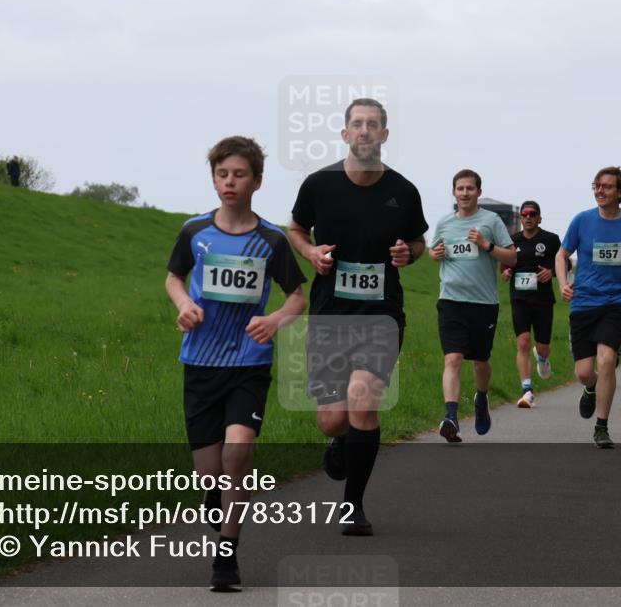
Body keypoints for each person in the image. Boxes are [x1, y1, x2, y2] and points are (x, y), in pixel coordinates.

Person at [165, 136, 306, 590]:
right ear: (213, 179)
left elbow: (298, 297)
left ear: (257, 181)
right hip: (201, 362)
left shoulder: (272, 240)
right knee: (211, 470)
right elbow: (173, 277)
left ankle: (226, 555)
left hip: (249, 360)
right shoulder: (194, 231)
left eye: (239, 174)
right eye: (222, 174)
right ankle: (215, 492)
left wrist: (277, 320)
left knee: (239, 453)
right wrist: (184, 303)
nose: (230, 182)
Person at [288, 98, 428, 536]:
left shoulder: (403, 191)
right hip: (331, 315)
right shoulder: (319, 185)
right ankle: (338, 438)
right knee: (333, 417)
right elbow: (294, 227)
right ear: (345, 134)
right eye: (357, 125)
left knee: (363, 398)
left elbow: (418, 243)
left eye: (373, 125)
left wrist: (410, 253)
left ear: (385, 135)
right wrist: (310, 251)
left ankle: (354, 506)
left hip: (381, 315)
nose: (365, 131)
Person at [556, 166, 621, 449]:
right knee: (584, 372)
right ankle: (591, 388)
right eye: (596, 186)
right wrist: (563, 282)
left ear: (620, 192)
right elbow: (562, 254)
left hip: (615, 302)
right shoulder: (582, 221)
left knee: (607, 361)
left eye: (607, 187)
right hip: (583, 302)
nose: (600, 191)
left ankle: (602, 426)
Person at [430, 170, 516, 440]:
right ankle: (451, 416)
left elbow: (512, 257)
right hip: (451, 300)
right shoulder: (444, 223)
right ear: (453, 193)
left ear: (479, 192)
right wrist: (437, 253)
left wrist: (486, 245)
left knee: (480, 362)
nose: (465, 193)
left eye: (470, 188)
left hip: (483, 303)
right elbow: (434, 251)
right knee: (452, 358)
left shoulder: (491, 221)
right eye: (460, 188)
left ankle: (481, 399)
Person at [499, 200, 561, 408]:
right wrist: (505, 272)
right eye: (524, 214)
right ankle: (527, 391)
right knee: (524, 341)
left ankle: (542, 359)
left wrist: (551, 272)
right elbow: (504, 264)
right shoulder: (512, 240)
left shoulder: (551, 240)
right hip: (519, 298)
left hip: (543, 300)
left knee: (542, 346)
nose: (528, 217)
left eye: (532, 214)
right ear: (520, 218)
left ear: (539, 218)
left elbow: (564, 262)